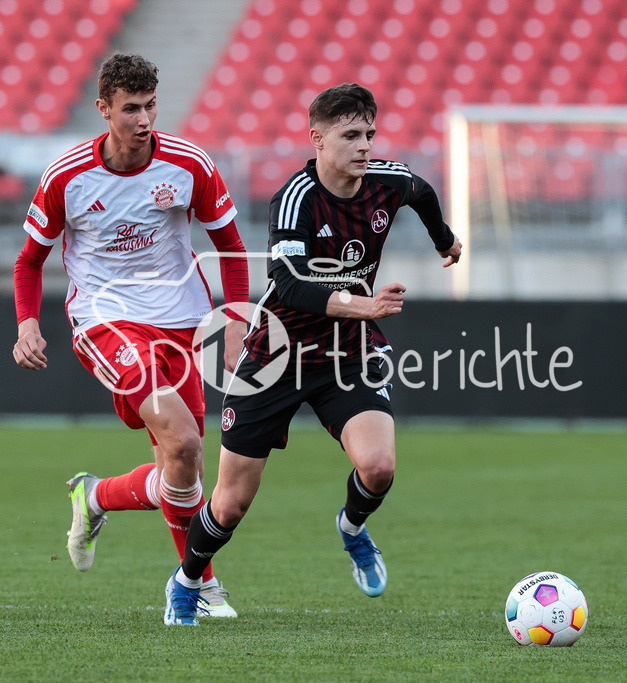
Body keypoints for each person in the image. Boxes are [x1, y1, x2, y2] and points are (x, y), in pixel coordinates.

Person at [161, 83, 463, 625]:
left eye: (369, 134)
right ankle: (186, 581)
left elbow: (421, 193)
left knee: (379, 467)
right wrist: (364, 305)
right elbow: (290, 285)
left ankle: (352, 528)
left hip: (348, 353)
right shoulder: (296, 198)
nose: (364, 145)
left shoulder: (388, 181)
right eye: (351, 136)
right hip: (276, 354)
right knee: (230, 503)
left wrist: (444, 240)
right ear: (317, 139)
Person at [11, 53, 248, 617]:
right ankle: (197, 586)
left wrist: (236, 322)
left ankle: (94, 495)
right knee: (183, 442)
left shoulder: (189, 165)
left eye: (151, 107)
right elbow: (29, 261)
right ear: (104, 109)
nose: (144, 120)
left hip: (182, 321)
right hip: (105, 319)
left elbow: (232, 247)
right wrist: (27, 323)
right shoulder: (66, 177)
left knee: (182, 471)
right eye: (131, 109)